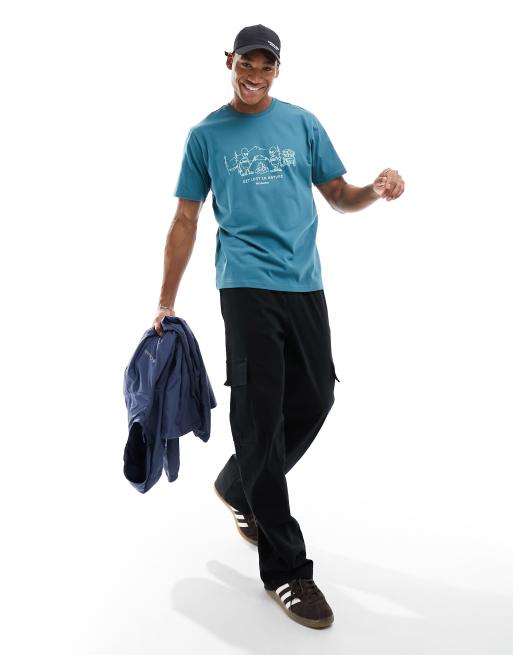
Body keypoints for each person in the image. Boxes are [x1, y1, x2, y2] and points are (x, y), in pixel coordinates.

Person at [154, 24, 405, 629]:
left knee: (316, 396)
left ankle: (242, 484)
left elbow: (339, 195)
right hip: (244, 285)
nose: (255, 75)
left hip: (304, 283)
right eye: (247, 63)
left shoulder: (302, 123)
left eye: (266, 66)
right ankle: (287, 571)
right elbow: (186, 219)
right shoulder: (206, 135)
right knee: (259, 417)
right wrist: (165, 301)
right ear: (229, 62)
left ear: (277, 71)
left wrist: (373, 190)